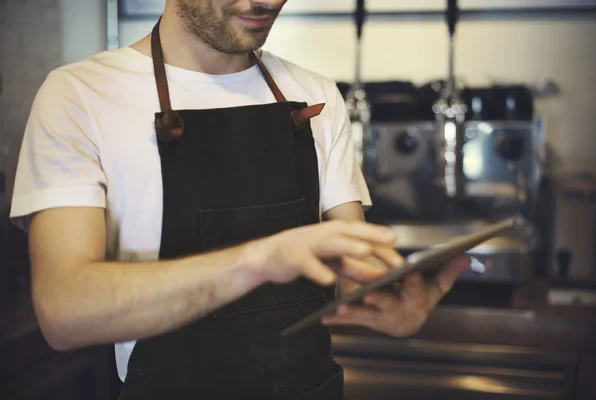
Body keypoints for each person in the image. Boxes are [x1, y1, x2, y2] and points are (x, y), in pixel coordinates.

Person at [10, 1, 468, 399]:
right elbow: (64, 310)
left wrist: (390, 303)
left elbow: (348, 276)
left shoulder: (315, 95)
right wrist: (260, 261)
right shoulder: (80, 96)